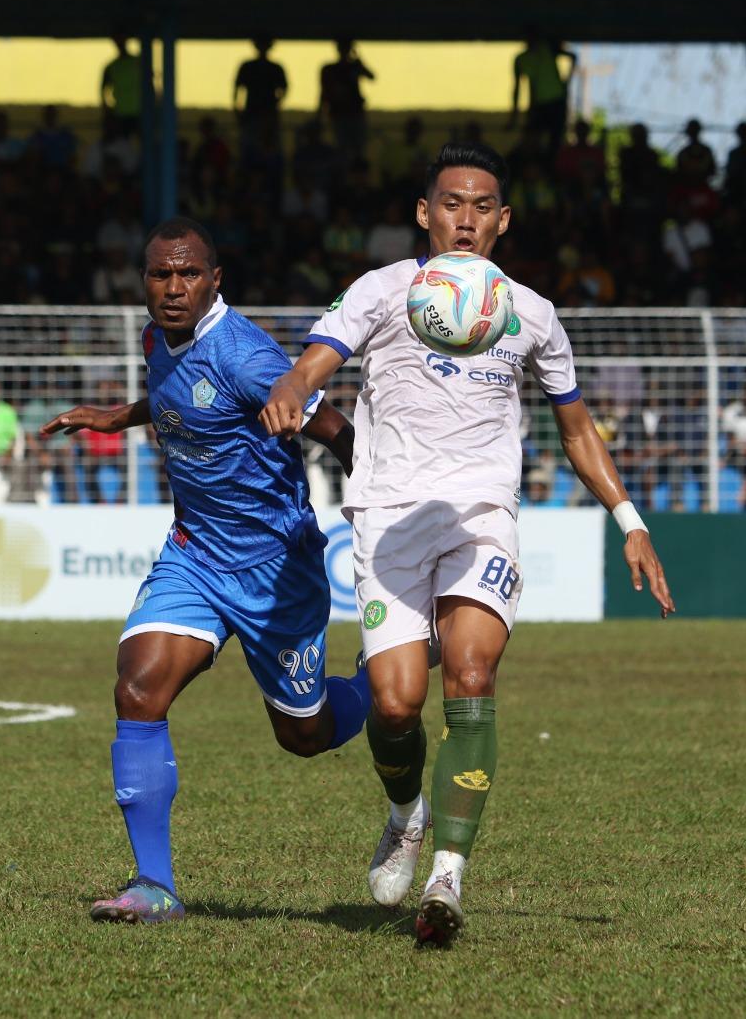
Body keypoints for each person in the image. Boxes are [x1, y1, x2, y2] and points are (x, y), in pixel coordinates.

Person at [259, 143, 672, 945]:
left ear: (503, 220)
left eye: (483, 206)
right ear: (425, 213)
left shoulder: (531, 313)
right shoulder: (384, 291)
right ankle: (406, 814)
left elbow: (577, 429)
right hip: (386, 519)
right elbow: (317, 361)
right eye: (452, 203)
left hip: (483, 516)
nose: (467, 219)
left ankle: (447, 876)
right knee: (394, 703)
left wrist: (631, 521)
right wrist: (291, 386)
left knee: (473, 669)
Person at [41, 217, 368, 925]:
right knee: (138, 689)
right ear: (145, 283)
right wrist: (114, 416)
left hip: (275, 569)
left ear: (215, 279)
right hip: (194, 556)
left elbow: (337, 430)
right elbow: (179, 404)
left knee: (302, 736)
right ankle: (153, 886)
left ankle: (383, 676)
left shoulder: (245, 355)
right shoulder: (157, 338)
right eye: (161, 275)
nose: (174, 287)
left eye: (189, 274)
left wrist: (370, 508)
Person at [509, 29, 575, 156]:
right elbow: (518, 88)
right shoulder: (521, 59)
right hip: (538, 105)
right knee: (533, 140)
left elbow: (573, 57)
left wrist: (567, 83)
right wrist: (514, 117)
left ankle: (551, 167)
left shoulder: (547, 49)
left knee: (555, 141)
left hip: (556, 102)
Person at [319, 39, 375, 160]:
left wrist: (359, 61)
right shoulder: (331, 69)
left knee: (356, 150)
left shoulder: (353, 66)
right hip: (341, 115)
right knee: (343, 150)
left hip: (353, 114)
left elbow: (371, 76)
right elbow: (324, 94)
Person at [233, 37, 288, 162]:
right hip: (252, 114)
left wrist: (276, 103)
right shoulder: (249, 66)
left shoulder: (274, 68)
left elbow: (284, 89)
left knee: (268, 149)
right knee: (251, 148)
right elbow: (237, 89)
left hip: (266, 115)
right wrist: (237, 109)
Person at [101, 36, 141, 139]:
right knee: (122, 146)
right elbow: (103, 90)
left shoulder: (139, 62)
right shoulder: (111, 67)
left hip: (140, 113)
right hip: (120, 115)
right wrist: (108, 111)